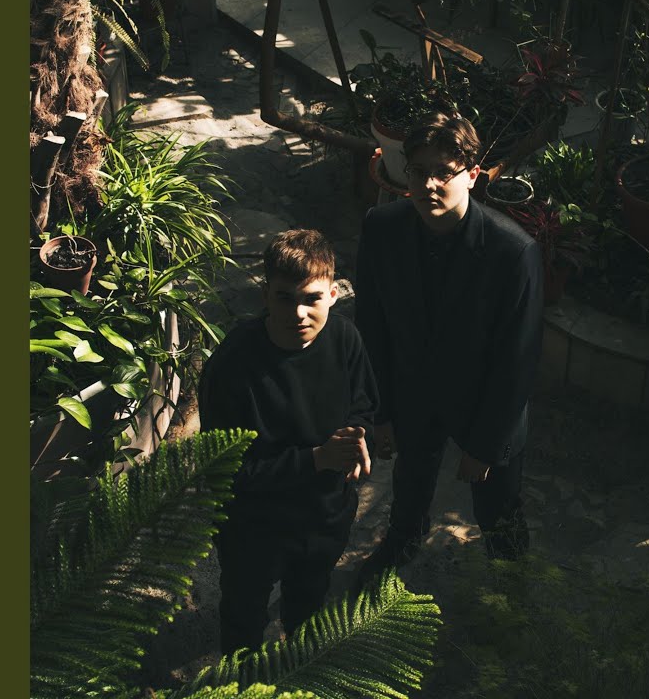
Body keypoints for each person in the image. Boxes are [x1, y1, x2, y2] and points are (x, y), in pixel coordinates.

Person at [355, 112, 543, 580]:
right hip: (412, 394)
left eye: (444, 172)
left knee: (500, 508)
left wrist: (486, 445)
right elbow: (371, 326)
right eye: (419, 171)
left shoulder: (513, 252)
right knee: (410, 484)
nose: (429, 185)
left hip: (484, 404)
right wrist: (380, 412)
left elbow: (516, 361)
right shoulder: (381, 227)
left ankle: (511, 580)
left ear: (472, 175)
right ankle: (402, 540)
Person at [198, 228, 379, 654]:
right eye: (285, 298)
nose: (299, 313)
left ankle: (299, 668)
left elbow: (364, 403)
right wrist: (316, 459)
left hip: (324, 517)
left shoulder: (345, 338)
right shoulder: (233, 364)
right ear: (265, 295)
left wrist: (358, 436)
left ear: (333, 294)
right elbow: (224, 470)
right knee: (244, 619)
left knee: (308, 608)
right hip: (253, 529)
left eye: (312, 299)